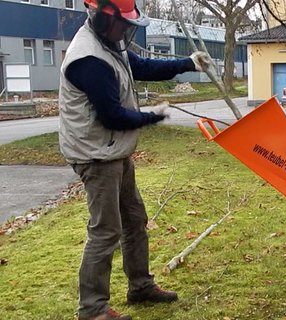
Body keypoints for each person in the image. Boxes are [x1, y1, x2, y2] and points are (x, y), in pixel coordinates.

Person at [58, 0, 211, 319]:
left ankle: (140, 286)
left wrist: (188, 63)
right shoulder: (89, 59)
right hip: (95, 154)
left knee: (135, 219)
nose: (127, 30)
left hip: (114, 150)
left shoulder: (110, 44)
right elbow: (113, 116)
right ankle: (93, 309)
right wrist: (150, 117)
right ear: (102, 18)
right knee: (106, 231)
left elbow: (141, 67)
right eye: (123, 24)